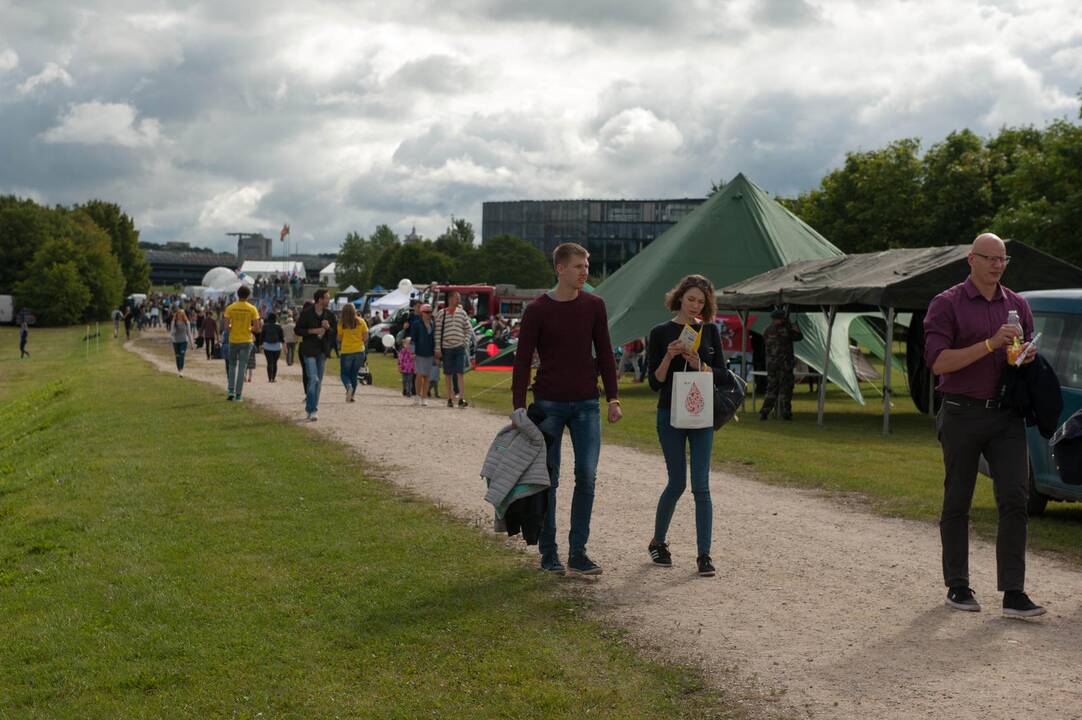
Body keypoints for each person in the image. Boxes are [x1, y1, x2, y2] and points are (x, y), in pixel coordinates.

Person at [923, 232, 1045, 618]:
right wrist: (991, 345)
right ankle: (958, 587)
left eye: (1002, 259)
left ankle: (1013, 593)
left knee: (1015, 498)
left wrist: (1024, 355)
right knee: (958, 500)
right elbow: (938, 362)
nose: (997, 265)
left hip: (1006, 415)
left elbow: (1014, 355)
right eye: (990, 258)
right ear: (970, 260)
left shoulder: (1017, 305)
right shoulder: (947, 304)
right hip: (961, 412)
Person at [512, 242, 621, 576]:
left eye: (586, 266)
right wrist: (518, 407)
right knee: (550, 480)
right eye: (578, 266)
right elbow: (522, 359)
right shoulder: (537, 310)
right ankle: (549, 553)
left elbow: (604, 353)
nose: (584, 272)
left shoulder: (594, 305)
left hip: (587, 403)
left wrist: (613, 398)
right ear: (560, 269)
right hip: (549, 405)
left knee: (587, 477)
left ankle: (578, 552)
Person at [645, 276, 727, 577]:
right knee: (677, 482)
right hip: (669, 413)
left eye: (701, 302)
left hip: (701, 414)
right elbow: (655, 382)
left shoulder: (710, 331)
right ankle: (658, 541)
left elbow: (723, 375)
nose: (695, 305)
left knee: (701, 486)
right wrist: (669, 355)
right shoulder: (659, 332)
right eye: (691, 299)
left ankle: (704, 554)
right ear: (679, 298)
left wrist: (698, 364)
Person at [295, 289, 337, 421]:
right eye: (327, 298)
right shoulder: (307, 313)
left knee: (318, 382)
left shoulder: (330, 315)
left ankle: (311, 408)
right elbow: (297, 330)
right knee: (314, 378)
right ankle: (313, 410)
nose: (329, 300)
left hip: (322, 351)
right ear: (320, 299)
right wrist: (312, 331)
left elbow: (334, 334)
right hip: (309, 350)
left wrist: (328, 327)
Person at [759, 309, 804, 421]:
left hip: (771, 365)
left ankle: (764, 412)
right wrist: (795, 327)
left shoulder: (767, 330)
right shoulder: (787, 329)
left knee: (771, 389)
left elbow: (765, 341)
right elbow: (799, 337)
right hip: (785, 364)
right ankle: (786, 412)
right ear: (780, 319)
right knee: (786, 388)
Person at [223, 285, 262, 402]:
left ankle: (230, 391)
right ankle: (239, 395)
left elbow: (226, 327)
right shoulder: (252, 308)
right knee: (242, 367)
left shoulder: (230, 308)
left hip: (233, 340)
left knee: (232, 365)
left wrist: (233, 328)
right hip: (246, 340)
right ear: (248, 295)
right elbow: (257, 328)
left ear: (237, 294)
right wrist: (248, 328)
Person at [435, 290, 472, 408]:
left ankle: (461, 398)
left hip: (459, 347)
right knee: (448, 374)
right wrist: (437, 348)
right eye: (457, 298)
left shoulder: (462, 313)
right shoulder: (441, 313)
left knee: (460, 373)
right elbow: (437, 332)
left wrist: (465, 343)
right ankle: (449, 398)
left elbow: (468, 329)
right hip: (446, 348)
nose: (459, 300)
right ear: (450, 299)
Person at [338, 303, 369, 402]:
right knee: (354, 374)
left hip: (347, 351)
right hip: (359, 351)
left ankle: (348, 386)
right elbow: (366, 337)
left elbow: (339, 338)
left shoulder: (341, 323)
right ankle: (352, 396)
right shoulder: (361, 322)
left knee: (344, 374)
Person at [409, 303, 436, 406]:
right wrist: (413, 352)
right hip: (419, 353)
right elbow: (413, 340)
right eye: (426, 312)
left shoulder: (433, 324)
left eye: (430, 312)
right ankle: (417, 396)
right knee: (419, 375)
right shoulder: (416, 324)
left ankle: (424, 398)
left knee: (427, 376)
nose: (429, 314)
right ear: (422, 313)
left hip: (430, 353)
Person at [170, 308, 195, 377]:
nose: (180, 315)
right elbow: (172, 333)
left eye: (181, 314)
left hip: (184, 341)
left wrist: (191, 344)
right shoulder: (174, 322)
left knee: (182, 354)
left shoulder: (187, 322)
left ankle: (181, 371)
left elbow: (189, 333)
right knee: (177, 356)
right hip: (176, 341)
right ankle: (179, 371)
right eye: (178, 314)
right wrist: (174, 324)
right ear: (177, 315)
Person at [262, 312, 284, 383]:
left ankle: (269, 378)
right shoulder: (279, 326)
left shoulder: (265, 326)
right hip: (277, 347)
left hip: (267, 346)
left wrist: (260, 344)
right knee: (275, 363)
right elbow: (281, 337)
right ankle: (273, 378)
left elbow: (262, 336)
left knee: (269, 363)